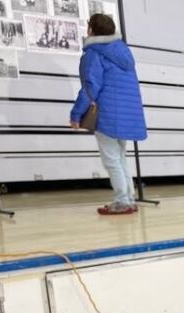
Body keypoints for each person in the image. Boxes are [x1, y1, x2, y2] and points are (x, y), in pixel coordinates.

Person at [69, 14, 147, 215]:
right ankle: (128, 199)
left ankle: (123, 201)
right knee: (120, 157)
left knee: (112, 159)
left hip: (107, 115)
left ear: (91, 30)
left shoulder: (94, 54)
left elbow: (90, 88)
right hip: (125, 115)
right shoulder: (123, 52)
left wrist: (76, 115)